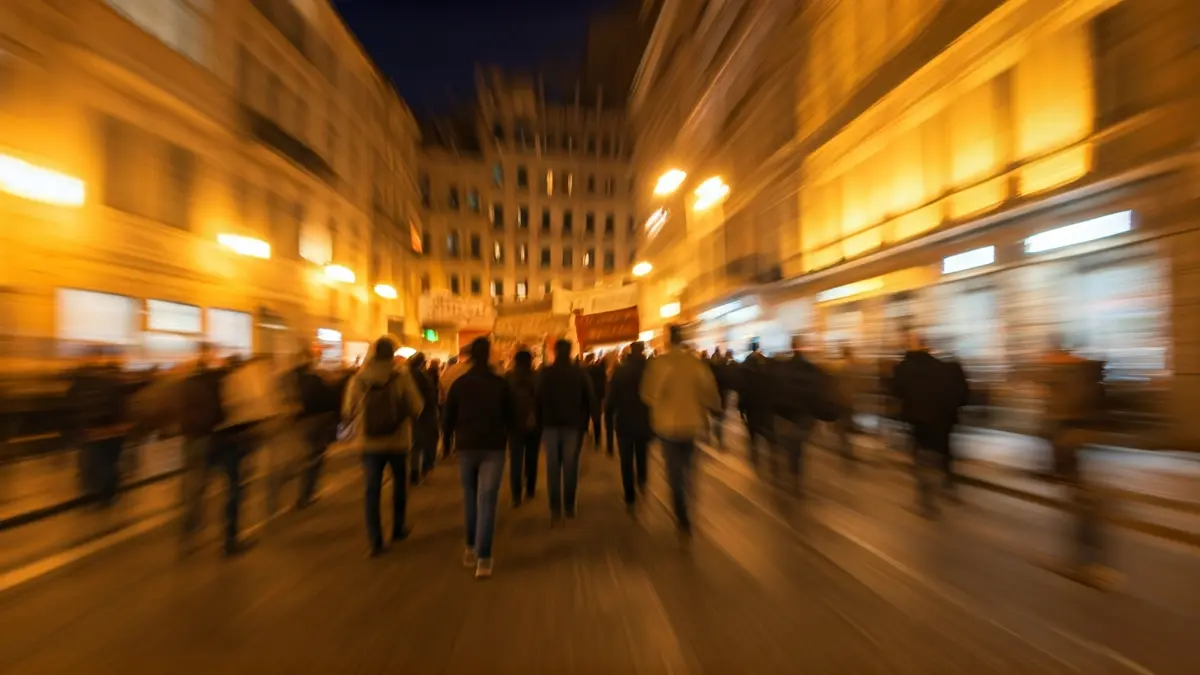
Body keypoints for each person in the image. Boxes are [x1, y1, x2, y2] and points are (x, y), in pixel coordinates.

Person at [343, 337, 424, 557]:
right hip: (398, 442)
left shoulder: (359, 378)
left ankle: (375, 541)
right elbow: (417, 406)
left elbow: (348, 410)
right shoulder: (401, 375)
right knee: (399, 485)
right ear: (392, 354)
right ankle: (398, 528)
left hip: (369, 443)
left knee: (372, 491)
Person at [443, 338, 516, 579]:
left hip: (466, 448)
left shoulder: (460, 384)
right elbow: (511, 415)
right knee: (487, 501)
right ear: (490, 355)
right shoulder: (500, 384)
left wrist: (446, 445)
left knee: (470, 498)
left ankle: (470, 547)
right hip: (493, 448)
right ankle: (484, 559)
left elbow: (448, 418)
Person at [641, 325, 720, 541]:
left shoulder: (659, 365)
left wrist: (660, 404)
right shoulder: (695, 364)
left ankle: (681, 514)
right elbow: (709, 392)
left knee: (673, 471)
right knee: (689, 467)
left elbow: (648, 395)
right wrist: (715, 407)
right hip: (691, 425)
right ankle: (689, 498)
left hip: (667, 427)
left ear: (668, 340)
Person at [890, 331, 960, 519]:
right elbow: (951, 392)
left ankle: (926, 501)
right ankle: (946, 485)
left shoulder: (904, 367)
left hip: (917, 421)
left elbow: (896, 392)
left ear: (912, 345)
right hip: (938, 420)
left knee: (921, 459)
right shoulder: (939, 366)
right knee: (936, 454)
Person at [537, 339, 595, 524]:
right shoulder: (579, 373)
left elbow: (538, 399)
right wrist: (587, 423)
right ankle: (569, 507)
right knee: (570, 467)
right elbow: (589, 399)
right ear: (569, 352)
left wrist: (540, 424)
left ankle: (555, 509)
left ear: (555, 352)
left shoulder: (546, 373)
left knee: (553, 468)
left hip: (550, 426)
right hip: (572, 426)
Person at [67, 347, 134, 507]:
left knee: (92, 459)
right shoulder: (112, 379)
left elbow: (73, 401)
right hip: (110, 428)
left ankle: (92, 491)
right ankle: (107, 495)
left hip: (91, 428)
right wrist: (123, 424)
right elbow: (120, 404)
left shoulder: (81, 380)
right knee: (109, 463)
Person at [606, 341, 653, 515]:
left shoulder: (621, 371)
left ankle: (629, 495)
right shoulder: (650, 370)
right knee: (642, 453)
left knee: (626, 459)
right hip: (644, 420)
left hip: (624, 421)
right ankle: (642, 480)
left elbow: (612, 396)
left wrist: (609, 413)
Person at [290, 347, 339, 509]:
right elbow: (328, 398)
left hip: (302, 423)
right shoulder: (315, 379)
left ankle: (304, 493)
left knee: (307, 456)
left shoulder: (294, 379)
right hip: (317, 421)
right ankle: (306, 494)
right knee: (315, 458)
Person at [505, 349, 540, 506]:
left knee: (516, 460)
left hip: (514, 424)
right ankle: (531, 490)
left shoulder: (509, 378)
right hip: (533, 423)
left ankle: (516, 495)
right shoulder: (536, 377)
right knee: (532, 457)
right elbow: (540, 400)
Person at [737, 339, 775, 469]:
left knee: (753, 428)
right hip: (765, 401)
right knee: (767, 428)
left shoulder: (746, 364)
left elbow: (742, 386)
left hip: (751, 402)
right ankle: (772, 455)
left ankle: (754, 452)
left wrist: (741, 406)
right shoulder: (766, 362)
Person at [408, 352, 440, 484]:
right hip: (425, 413)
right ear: (422, 363)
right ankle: (427, 466)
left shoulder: (406, 376)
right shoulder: (422, 376)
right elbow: (430, 395)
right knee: (430, 439)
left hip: (412, 414)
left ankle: (414, 472)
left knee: (415, 443)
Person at [586, 354, 608, 452]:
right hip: (597, 397)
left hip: (588, 397)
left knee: (586, 417)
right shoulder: (601, 372)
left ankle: (587, 435)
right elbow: (603, 386)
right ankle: (597, 440)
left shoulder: (587, 370)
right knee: (597, 420)